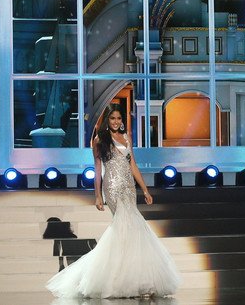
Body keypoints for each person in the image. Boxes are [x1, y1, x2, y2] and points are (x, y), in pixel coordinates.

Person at [46, 105, 181, 299]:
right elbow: (97, 169)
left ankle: (135, 279)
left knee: (132, 229)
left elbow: (133, 165)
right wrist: (98, 195)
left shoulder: (126, 138)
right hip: (112, 187)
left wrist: (144, 189)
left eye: (118, 118)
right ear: (107, 121)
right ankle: (120, 280)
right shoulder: (99, 140)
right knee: (124, 226)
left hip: (128, 187)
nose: (116, 122)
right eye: (112, 118)